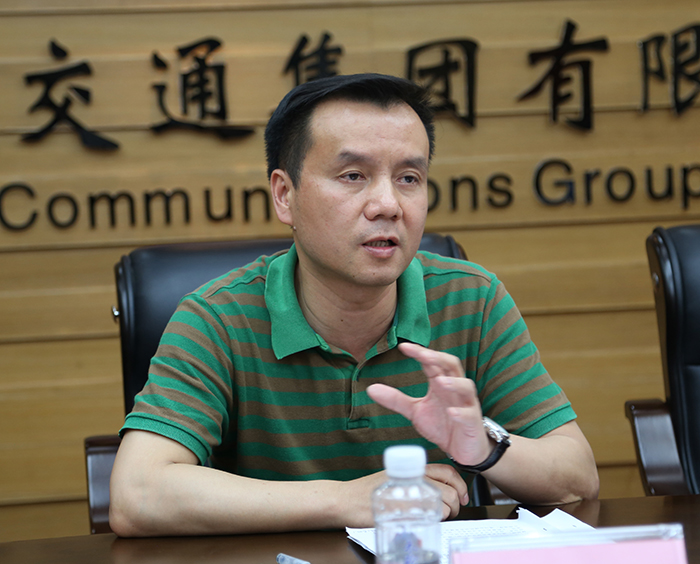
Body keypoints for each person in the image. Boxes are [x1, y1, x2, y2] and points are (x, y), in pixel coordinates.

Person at [109, 73, 598, 537]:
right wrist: (345, 500)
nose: (388, 204)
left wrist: (484, 446)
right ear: (285, 195)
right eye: (353, 175)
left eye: (409, 178)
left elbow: (578, 477)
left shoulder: (472, 300)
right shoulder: (218, 318)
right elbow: (138, 494)